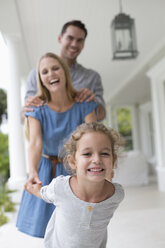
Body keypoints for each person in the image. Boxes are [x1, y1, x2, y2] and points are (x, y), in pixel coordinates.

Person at [16, 52, 98, 238]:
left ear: (65, 72)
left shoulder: (85, 104)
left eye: (55, 68)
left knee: (78, 232)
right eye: (44, 72)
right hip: (47, 172)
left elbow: (93, 142)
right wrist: (33, 172)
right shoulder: (36, 109)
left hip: (76, 171)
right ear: (40, 79)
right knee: (49, 233)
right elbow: (35, 143)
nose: (51, 74)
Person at [25, 122, 125, 248]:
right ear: (72, 161)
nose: (97, 160)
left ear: (113, 160)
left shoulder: (116, 195)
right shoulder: (60, 188)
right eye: (87, 154)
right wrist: (33, 188)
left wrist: (107, 173)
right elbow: (43, 193)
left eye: (104, 153)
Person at [23, 20, 105, 121]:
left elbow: (102, 115)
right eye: (70, 38)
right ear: (60, 38)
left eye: (79, 40)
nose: (74, 44)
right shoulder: (36, 74)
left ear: (83, 44)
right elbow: (23, 117)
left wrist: (93, 102)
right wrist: (32, 105)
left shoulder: (92, 77)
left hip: (82, 135)